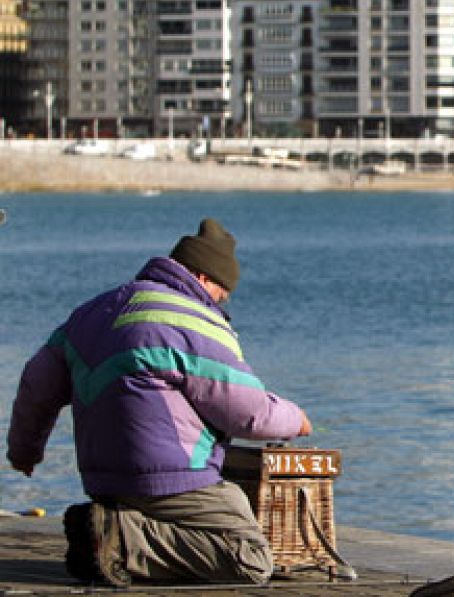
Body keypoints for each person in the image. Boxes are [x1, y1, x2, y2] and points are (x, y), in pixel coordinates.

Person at [7, 218, 313, 586]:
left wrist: (24, 450)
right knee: (249, 558)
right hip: (173, 480)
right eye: (222, 293)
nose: (221, 303)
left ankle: (113, 528)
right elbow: (249, 414)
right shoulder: (192, 322)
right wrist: (296, 420)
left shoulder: (92, 312)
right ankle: (121, 537)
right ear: (203, 278)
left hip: (101, 478)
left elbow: (36, 384)